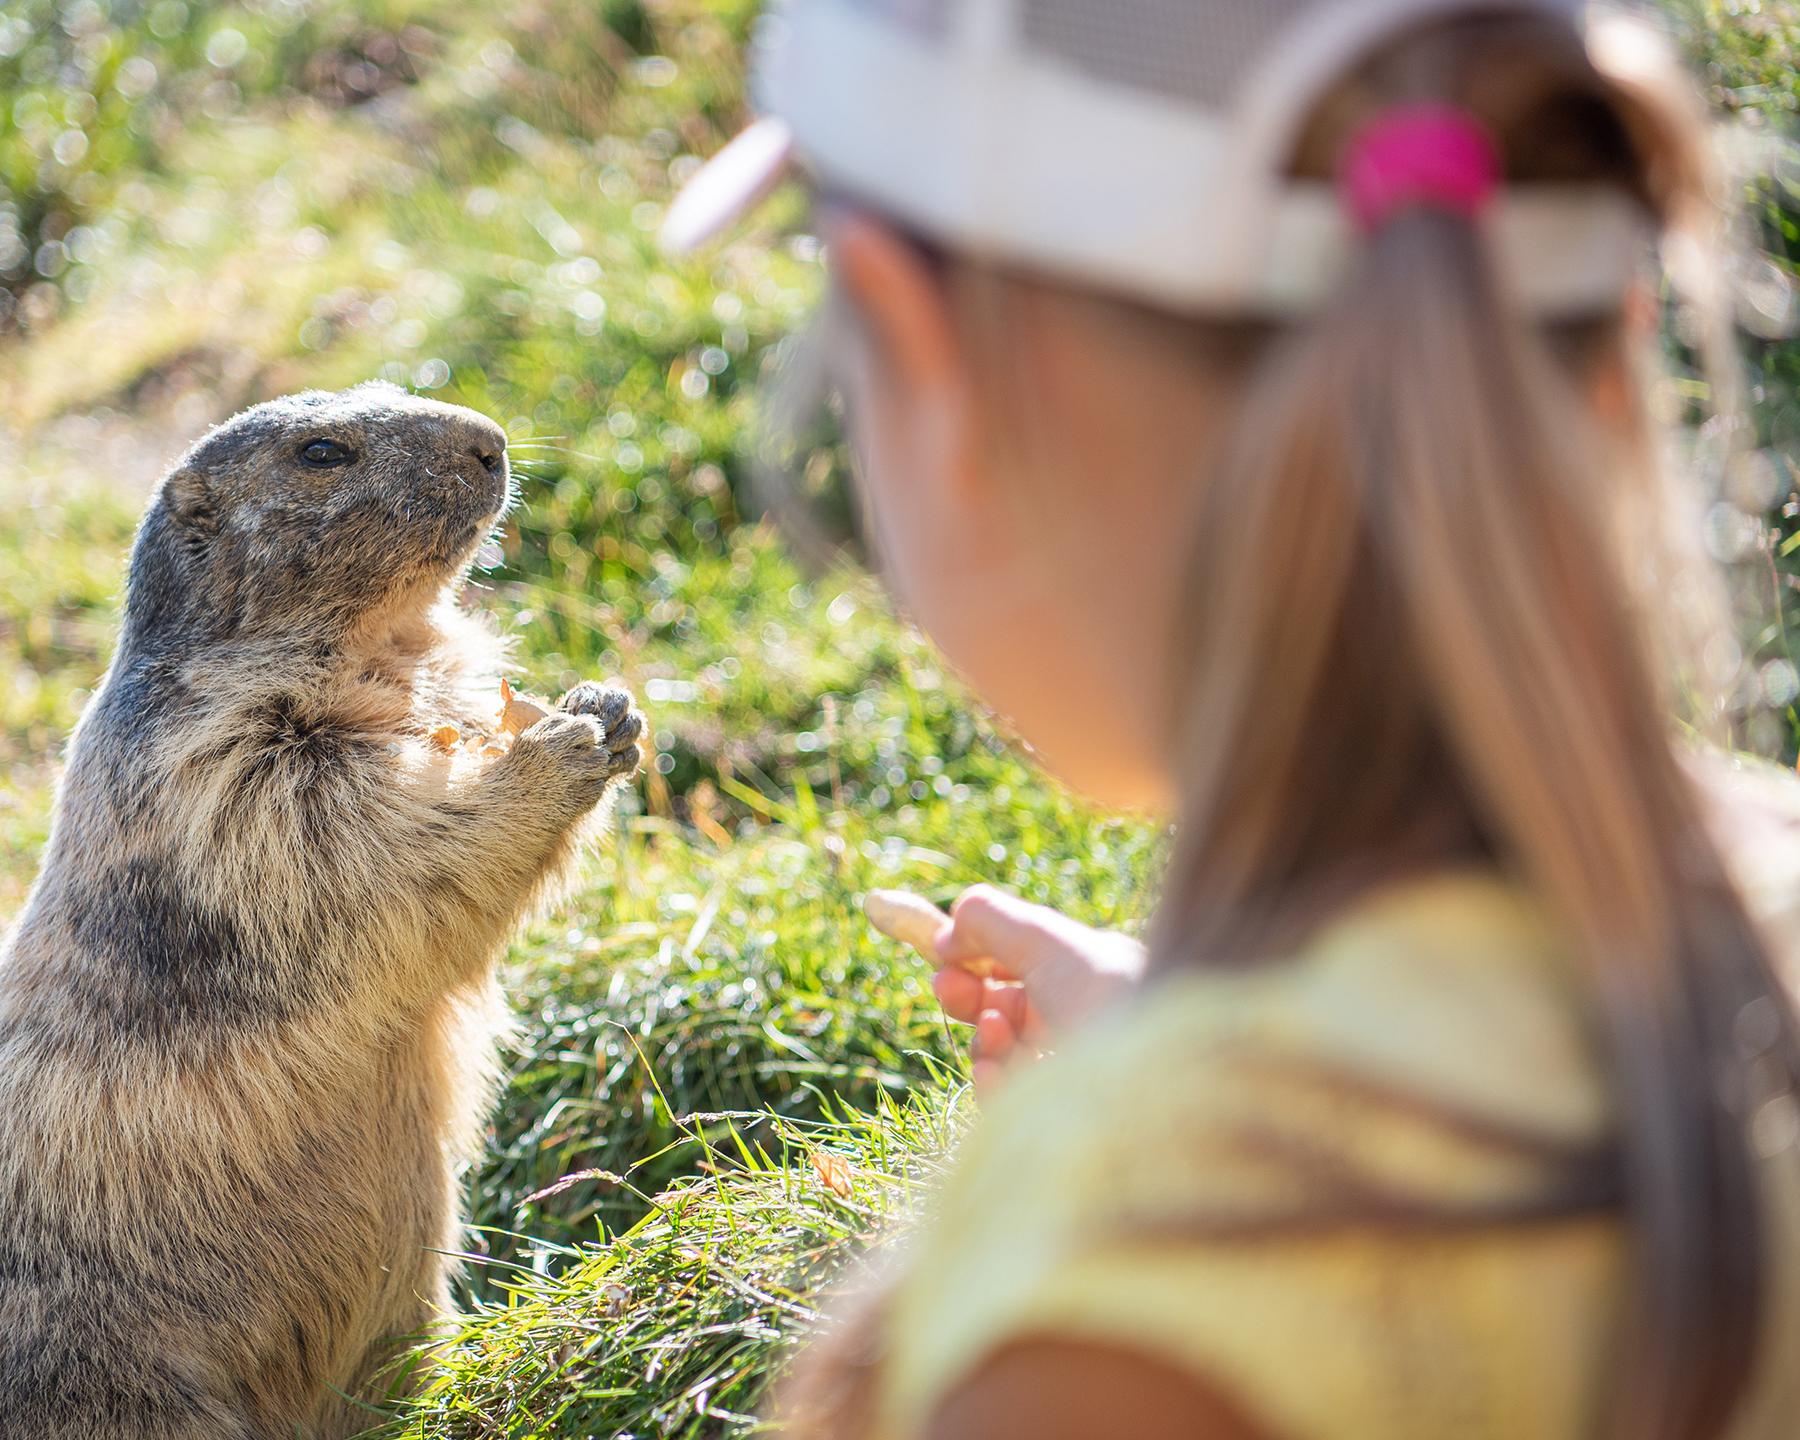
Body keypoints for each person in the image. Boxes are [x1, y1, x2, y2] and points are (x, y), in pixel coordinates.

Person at [662, 1, 1800, 1437]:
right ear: (1615, 330)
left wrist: (1163, 1131)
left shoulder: (1132, 1303)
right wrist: (1222, 1036)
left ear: (917, 343)